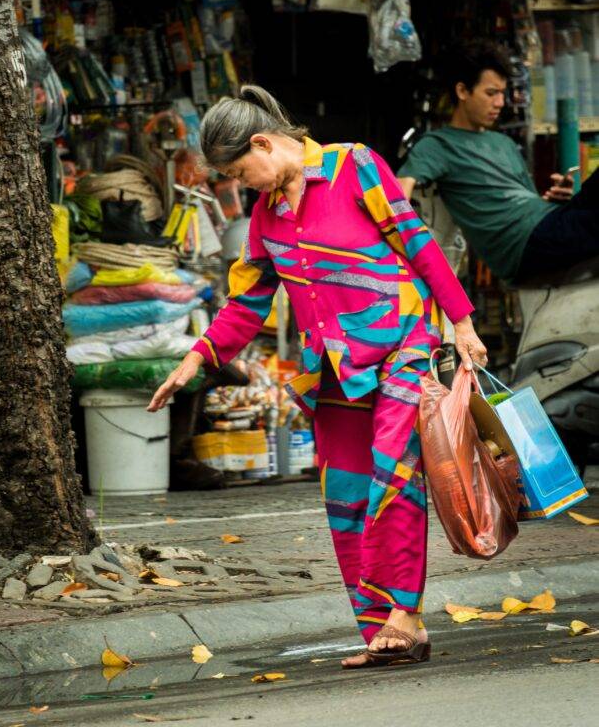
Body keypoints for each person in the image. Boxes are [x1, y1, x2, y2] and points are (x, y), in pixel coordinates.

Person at [148, 85, 486, 669]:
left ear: (262, 143)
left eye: (238, 171)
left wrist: (462, 322)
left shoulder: (355, 166)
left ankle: (406, 614)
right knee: (346, 497)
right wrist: (194, 360)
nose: (240, 184)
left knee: (392, 471)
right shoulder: (266, 216)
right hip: (334, 373)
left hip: (403, 346)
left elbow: (417, 241)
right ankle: (381, 630)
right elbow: (246, 304)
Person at [397, 42, 599, 283]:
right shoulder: (437, 145)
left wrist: (553, 198)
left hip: (548, 222)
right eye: (491, 93)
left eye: (502, 93)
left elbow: (526, 202)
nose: (500, 103)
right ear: (463, 92)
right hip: (523, 247)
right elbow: (398, 193)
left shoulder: (502, 142)